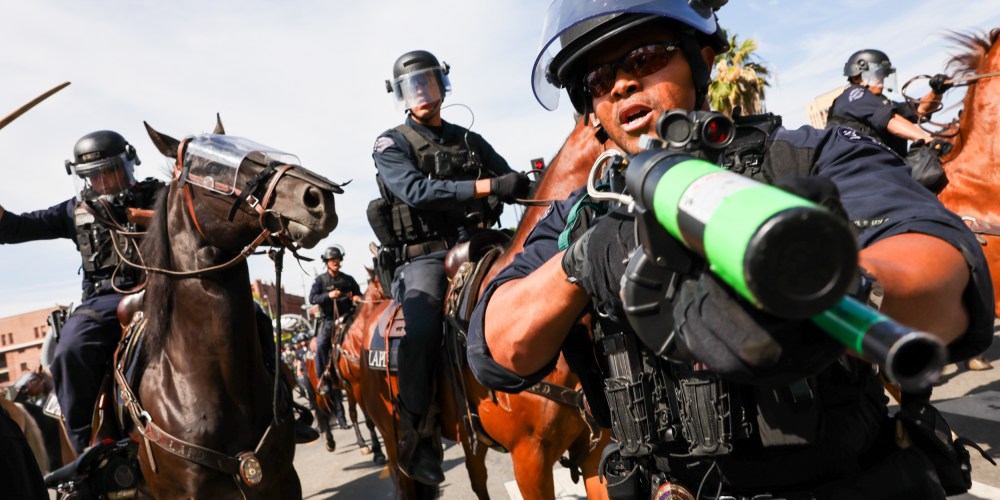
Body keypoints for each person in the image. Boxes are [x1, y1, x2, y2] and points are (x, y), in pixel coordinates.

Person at [467, 1, 994, 498]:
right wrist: (580, 262)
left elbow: (944, 278)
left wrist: (827, 284)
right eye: (599, 79)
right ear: (591, 107)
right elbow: (500, 347)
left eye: (645, 56)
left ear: (703, 59)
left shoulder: (815, 156)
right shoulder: (580, 215)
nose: (623, 82)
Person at [369, 49, 531, 485]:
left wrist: (525, 184)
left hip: (475, 244)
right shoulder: (391, 143)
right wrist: (488, 185)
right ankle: (417, 435)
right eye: (411, 86)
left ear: (442, 84)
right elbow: (417, 190)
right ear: (400, 95)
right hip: (424, 258)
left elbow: (511, 179)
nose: (422, 92)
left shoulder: (468, 140)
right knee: (421, 330)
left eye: (428, 82)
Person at [0, 130, 160, 455]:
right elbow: (15, 228)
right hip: (105, 302)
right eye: (92, 175)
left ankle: (282, 409)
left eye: (109, 170)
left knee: (247, 313)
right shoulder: (74, 210)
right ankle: (88, 451)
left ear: (127, 164)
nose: (102, 180)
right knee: (69, 351)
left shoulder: (158, 195)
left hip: (164, 289)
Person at [308, 244, 360, 430]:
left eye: (338, 259)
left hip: (348, 318)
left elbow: (358, 293)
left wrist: (356, 298)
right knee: (322, 344)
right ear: (327, 262)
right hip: (329, 321)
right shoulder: (320, 280)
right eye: (332, 260)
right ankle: (322, 380)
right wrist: (328, 295)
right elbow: (312, 298)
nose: (336, 262)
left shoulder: (348, 279)